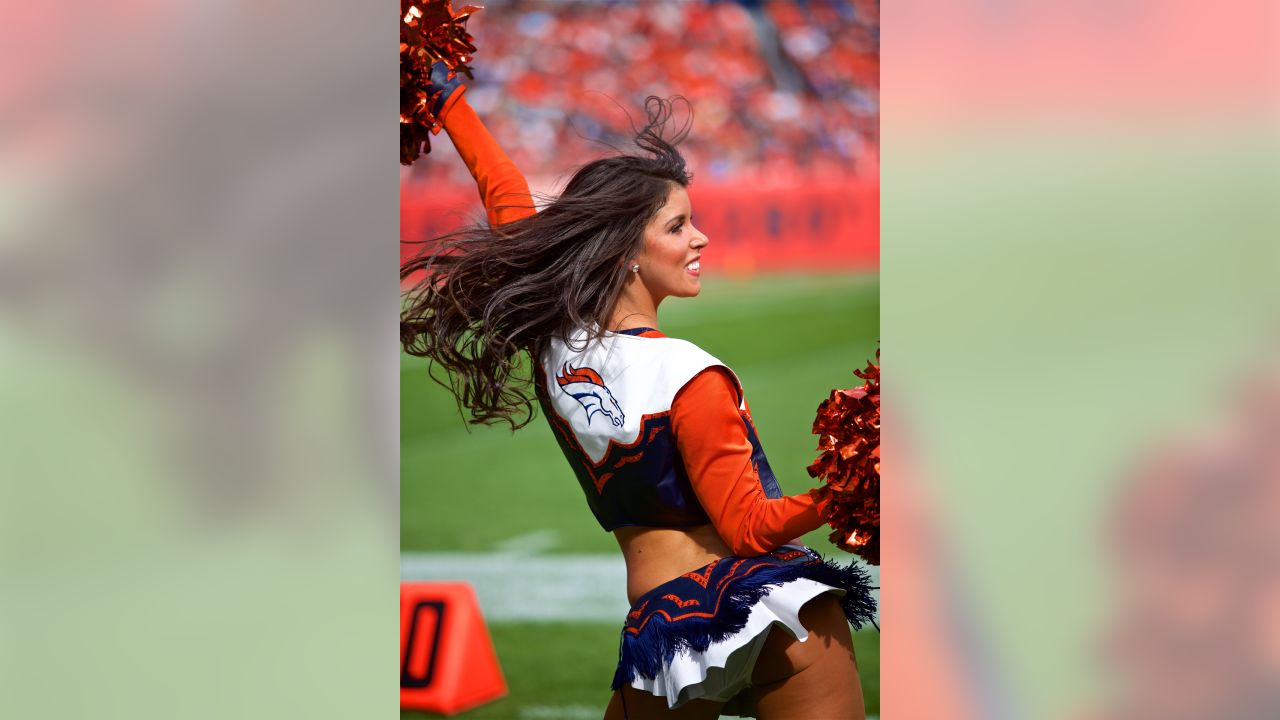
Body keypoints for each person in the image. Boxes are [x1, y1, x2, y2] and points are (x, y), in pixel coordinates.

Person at [401, 63, 876, 719]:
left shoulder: (553, 339)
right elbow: (749, 527)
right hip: (745, 617)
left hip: (689, 618)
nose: (701, 238)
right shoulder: (691, 373)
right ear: (627, 249)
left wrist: (447, 97)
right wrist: (849, 488)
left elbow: (502, 190)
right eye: (679, 226)